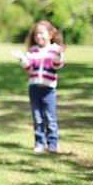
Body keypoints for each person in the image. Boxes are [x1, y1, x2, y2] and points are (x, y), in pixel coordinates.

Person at [11, 20, 66, 154]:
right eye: (36, 34)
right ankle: (39, 143)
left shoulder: (55, 50)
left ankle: (52, 143)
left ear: (51, 34)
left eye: (41, 33)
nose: (38, 37)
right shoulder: (33, 50)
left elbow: (57, 65)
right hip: (34, 88)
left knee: (50, 118)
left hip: (48, 90)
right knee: (37, 117)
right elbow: (29, 68)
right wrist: (22, 58)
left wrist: (58, 56)